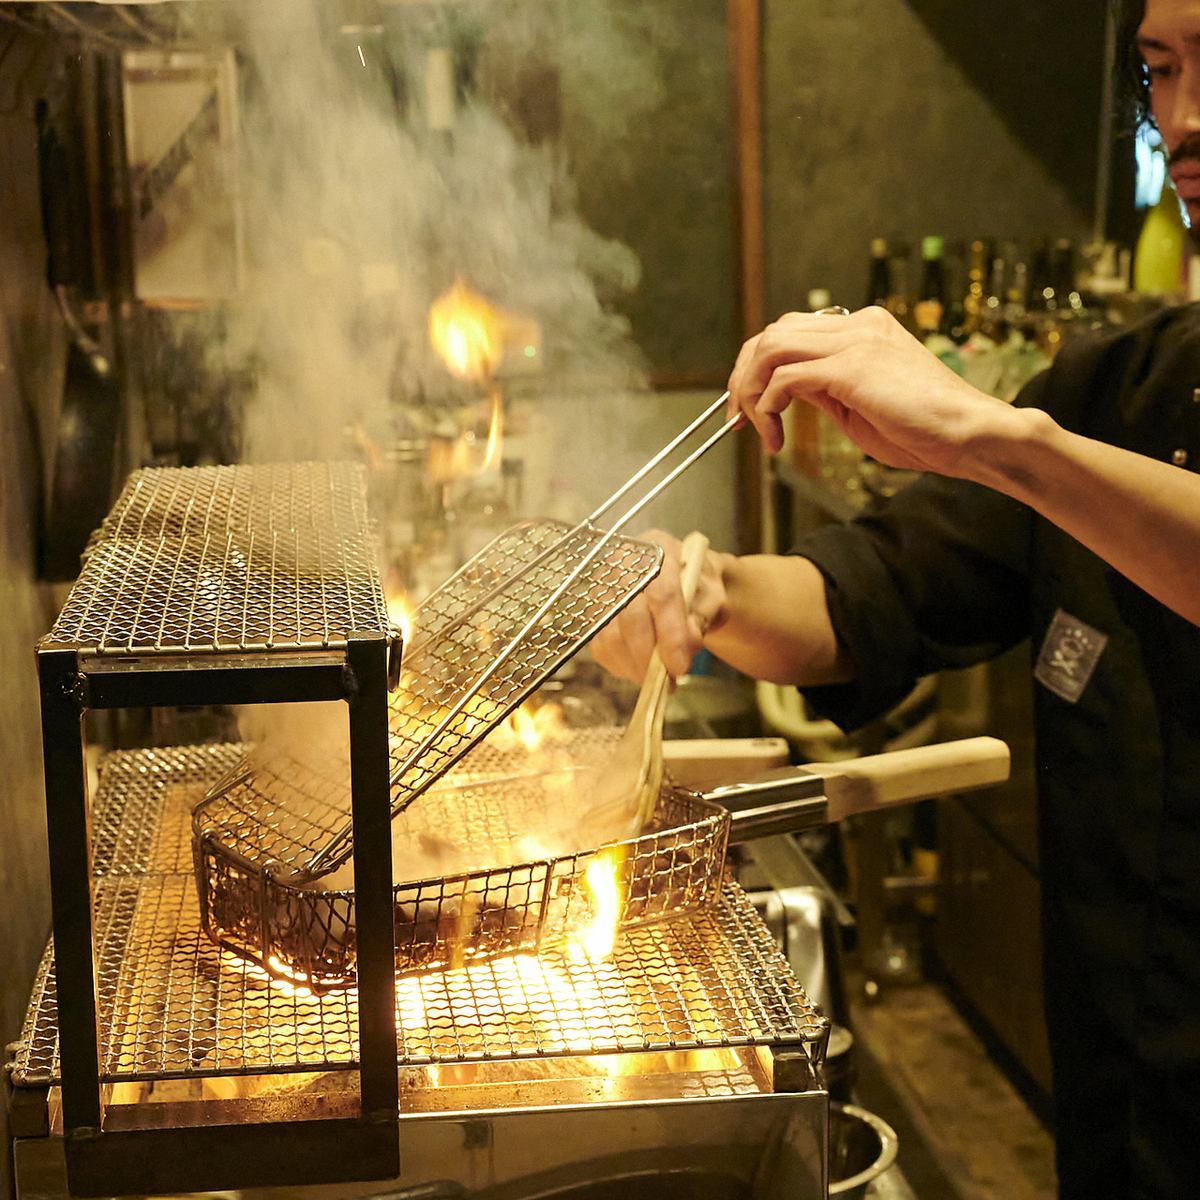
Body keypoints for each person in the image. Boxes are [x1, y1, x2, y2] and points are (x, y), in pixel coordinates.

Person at [591, 2, 1200, 1195]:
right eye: (1160, 70)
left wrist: (997, 437)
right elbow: (865, 594)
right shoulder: (1121, 391)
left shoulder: (1048, 438)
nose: (1182, 120)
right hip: (1122, 1117)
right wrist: (703, 589)